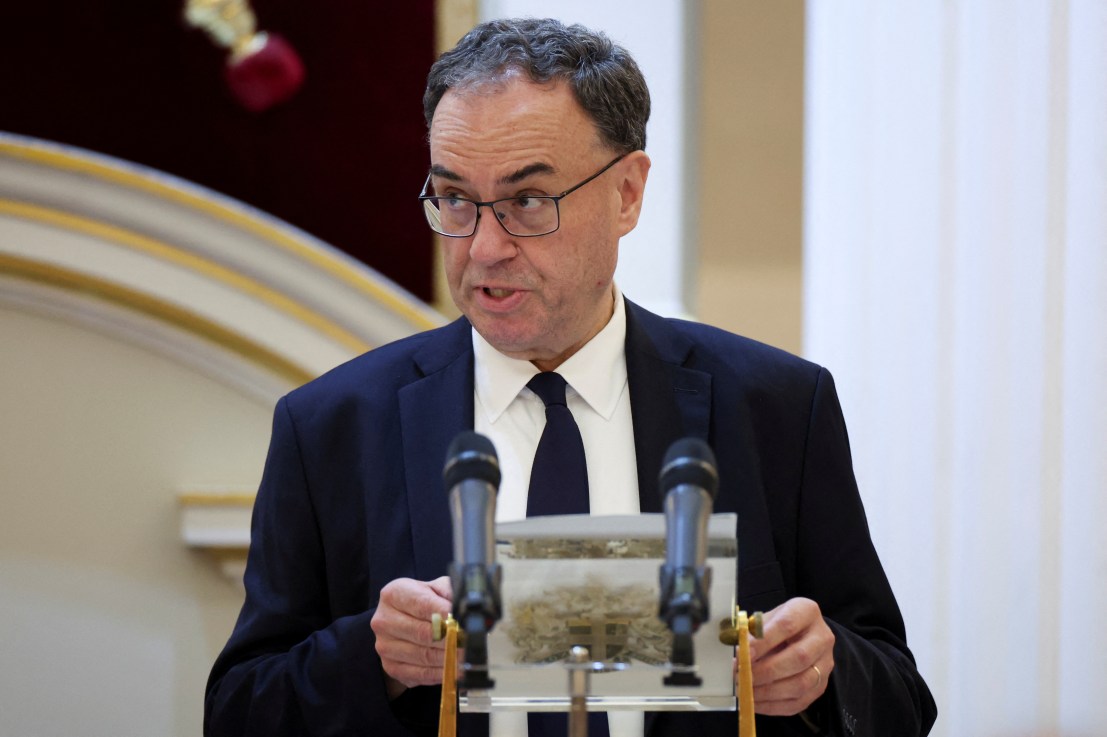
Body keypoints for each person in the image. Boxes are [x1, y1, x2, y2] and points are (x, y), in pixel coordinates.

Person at [204, 17, 937, 737]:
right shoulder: (331, 424)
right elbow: (238, 710)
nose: (483, 247)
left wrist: (819, 674)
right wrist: (376, 659)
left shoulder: (776, 407)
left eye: (526, 200)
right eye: (455, 198)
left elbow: (900, 699)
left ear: (626, 193)